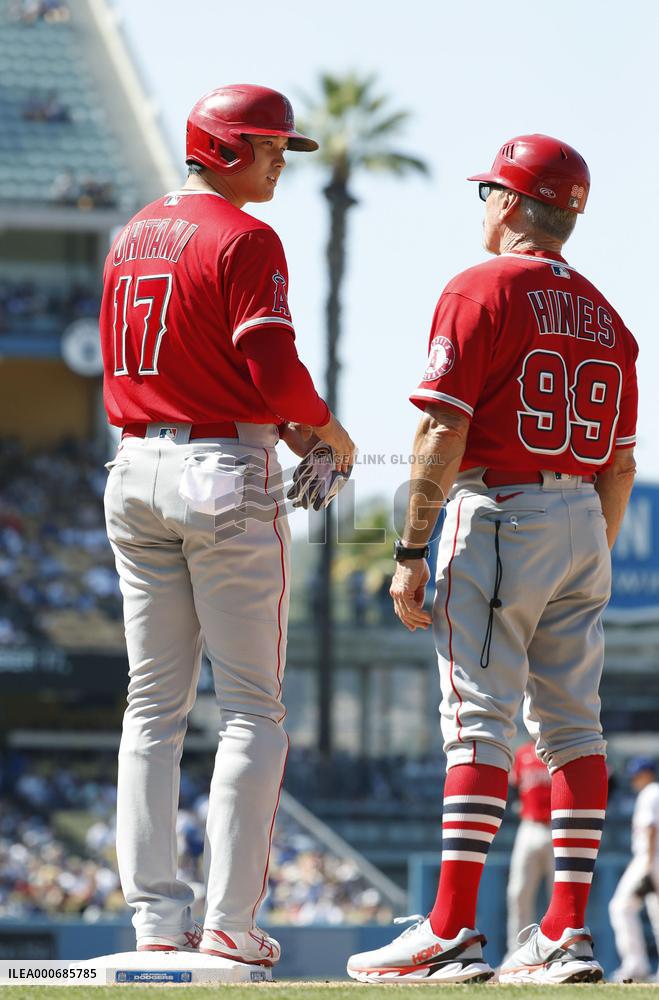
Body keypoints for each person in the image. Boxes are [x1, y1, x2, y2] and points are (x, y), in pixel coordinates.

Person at [347, 134, 638, 984]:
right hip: (582, 512)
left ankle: (447, 930)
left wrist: (409, 546)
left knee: (477, 719)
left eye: (487, 192)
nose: (482, 204)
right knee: (573, 727)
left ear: (509, 203)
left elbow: (441, 426)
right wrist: (587, 549)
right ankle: (563, 934)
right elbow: (619, 463)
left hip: (502, 509)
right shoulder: (607, 315)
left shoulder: (479, 285)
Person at [99, 84, 356, 964]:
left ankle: (152, 926)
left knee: (151, 708)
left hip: (132, 462)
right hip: (218, 469)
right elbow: (274, 369)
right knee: (250, 709)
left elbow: (199, 356)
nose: (281, 157)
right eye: (268, 144)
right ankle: (230, 925)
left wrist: (272, 417)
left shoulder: (131, 231)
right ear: (221, 147)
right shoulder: (245, 234)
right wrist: (323, 428)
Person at [609, 757, 659, 982]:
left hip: (649, 859)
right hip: (650, 859)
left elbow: (650, 829)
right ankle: (636, 965)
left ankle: (635, 964)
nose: (634, 780)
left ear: (648, 773)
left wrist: (647, 867)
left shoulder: (651, 792)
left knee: (621, 907)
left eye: (637, 775)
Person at [505, 741, 553, 956]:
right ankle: (517, 953)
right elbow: (513, 788)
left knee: (560, 895)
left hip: (558, 827)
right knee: (518, 892)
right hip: (529, 826)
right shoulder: (522, 753)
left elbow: (610, 779)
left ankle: (557, 953)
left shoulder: (563, 746)